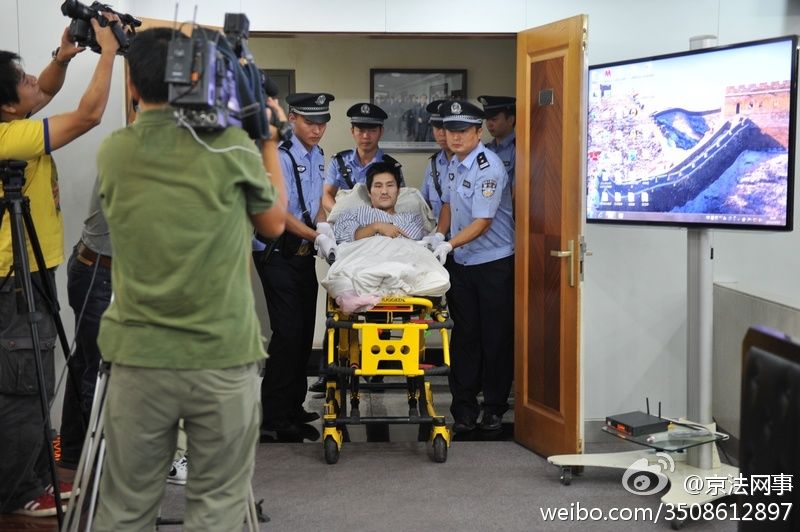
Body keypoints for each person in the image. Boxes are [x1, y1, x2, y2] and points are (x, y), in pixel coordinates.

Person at [91, 27, 287, 530]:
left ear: (132, 85)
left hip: (138, 357)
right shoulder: (233, 148)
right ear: (195, 78)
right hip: (220, 356)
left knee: (126, 507)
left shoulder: (115, 151)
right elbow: (273, 224)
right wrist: (267, 139)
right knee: (217, 506)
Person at [0, 16, 121, 518]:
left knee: (34, 380)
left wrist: (64, 56)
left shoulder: (12, 123)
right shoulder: (8, 139)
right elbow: (88, 116)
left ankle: (31, 477)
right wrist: (108, 52)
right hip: (15, 282)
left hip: (32, 272)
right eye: (22, 79)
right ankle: (19, 493)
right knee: (24, 386)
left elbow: (45, 92)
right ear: (8, 107)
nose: (34, 80)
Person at [255, 91, 337, 432]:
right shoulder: (280, 155)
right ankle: (274, 417)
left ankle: (293, 406)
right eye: (310, 122)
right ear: (292, 118)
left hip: (303, 253)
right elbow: (280, 214)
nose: (317, 129)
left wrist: (324, 226)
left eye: (322, 123)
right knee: (287, 332)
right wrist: (316, 236)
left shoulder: (318, 155)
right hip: (277, 252)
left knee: (303, 333)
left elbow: (315, 203)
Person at [433, 100, 515, 434]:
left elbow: (483, 221)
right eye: (451, 130)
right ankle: (464, 409)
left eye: (463, 131)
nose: (455, 137)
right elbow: (448, 203)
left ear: (478, 132)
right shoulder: (454, 163)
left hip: (493, 263)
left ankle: (494, 407)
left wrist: (448, 244)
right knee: (465, 337)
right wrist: (438, 234)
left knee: (494, 337)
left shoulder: (488, 167)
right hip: (462, 263)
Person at [322, 102, 404, 213]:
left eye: (372, 130)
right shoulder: (339, 162)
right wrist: (341, 215)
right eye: (360, 130)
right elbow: (326, 194)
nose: (366, 136)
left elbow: (400, 201)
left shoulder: (392, 166)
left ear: (381, 132)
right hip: (345, 219)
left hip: (381, 220)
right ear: (352, 131)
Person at [333, 161, 425, 243]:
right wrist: (376, 227)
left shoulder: (412, 219)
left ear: (398, 191)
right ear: (369, 192)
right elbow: (341, 237)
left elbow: (410, 242)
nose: (384, 191)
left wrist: (365, 232)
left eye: (390, 185)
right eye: (378, 186)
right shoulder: (354, 213)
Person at [478, 95, 516, 186]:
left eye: (494, 119)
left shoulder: (519, 150)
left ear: (510, 120)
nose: (489, 124)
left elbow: (519, 190)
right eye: (487, 120)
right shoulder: (485, 149)